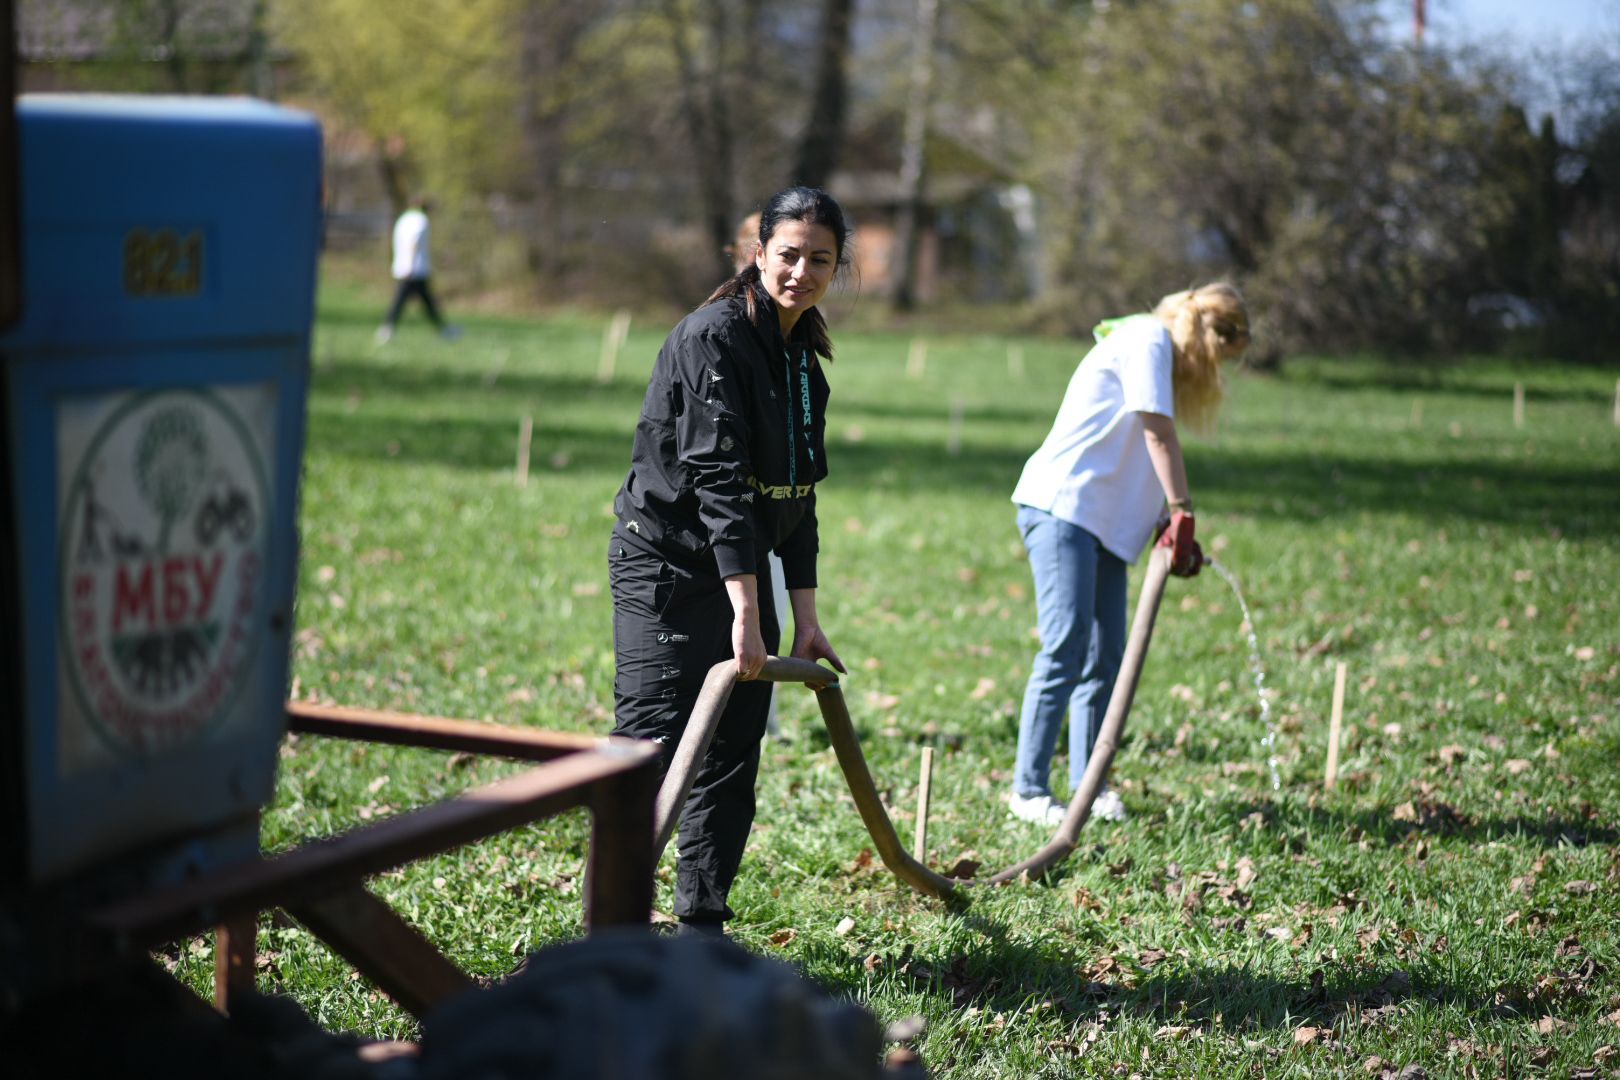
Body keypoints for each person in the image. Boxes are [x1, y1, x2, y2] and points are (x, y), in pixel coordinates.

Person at [609, 187, 851, 935]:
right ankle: (608, 929)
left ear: (837, 268)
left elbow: (796, 496)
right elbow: (716, 477)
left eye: (820, 259)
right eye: (788, 254)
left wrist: (803, 621)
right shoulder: (711, 337)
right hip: (671, 566)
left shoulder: (804, 362)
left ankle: (701, 928)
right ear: (758, 253)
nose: (800, 271)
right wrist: (749, 610)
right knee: (649, 748)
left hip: (743, 570)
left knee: (732, 754)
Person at [1006, 283, 1250, 827]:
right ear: (1210, 338)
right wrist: (1184, 508)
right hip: (1064, 508)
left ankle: (1089, 788)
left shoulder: (1155, 357)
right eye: (1221, 359)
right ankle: (1028, 790)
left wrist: (1165, 522)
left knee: (1106, 658)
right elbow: (1157, 435)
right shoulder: (1147, 340)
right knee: (1065, 646)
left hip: (1108, 526)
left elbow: (1136, 451)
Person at [376, 195, 460, 344]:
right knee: (402, 301)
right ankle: (387, 329)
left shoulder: (403, 219)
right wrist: (411, 265)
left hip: (403, 266)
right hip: (415, 269)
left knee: (425, 301)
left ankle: (443, 329)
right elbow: (413, 242)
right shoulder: (420, 221)